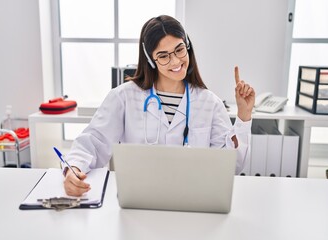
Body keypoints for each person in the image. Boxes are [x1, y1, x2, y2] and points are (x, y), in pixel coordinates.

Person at [63, 15, 255, 196]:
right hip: (141, 198)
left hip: (193, 198)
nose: (176, 61)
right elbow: (94, 141)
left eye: (180, 49)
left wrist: (243, 116)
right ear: (150, 60)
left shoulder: (209, 103)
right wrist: (75, 168)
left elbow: (230, 166)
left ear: (187, 46)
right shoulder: (124, 97)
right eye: (163, 56)